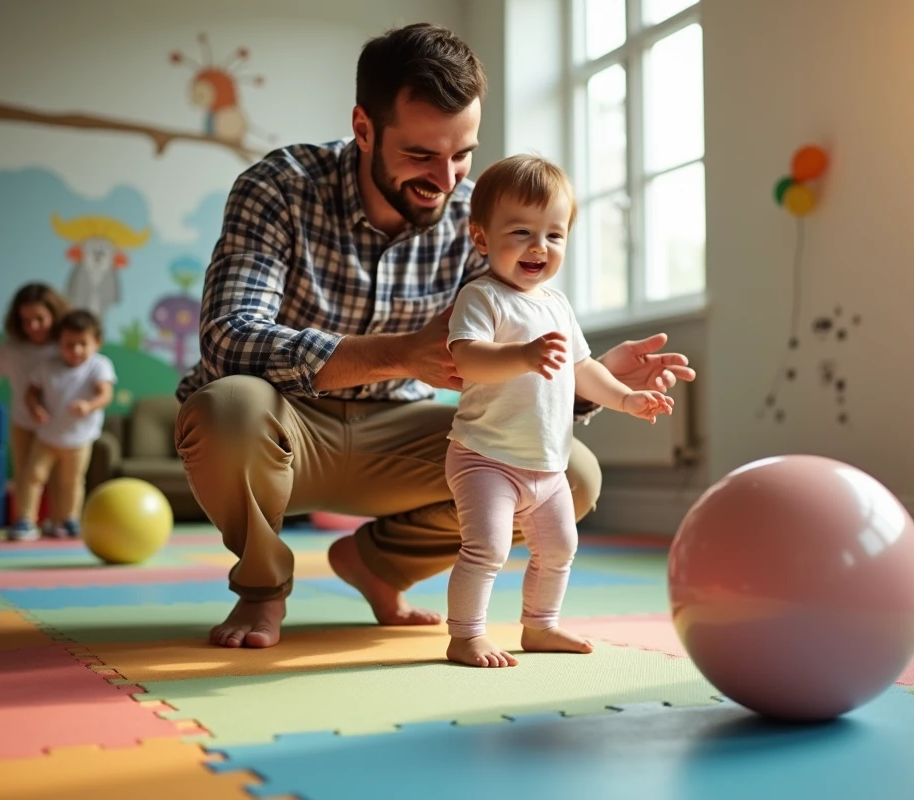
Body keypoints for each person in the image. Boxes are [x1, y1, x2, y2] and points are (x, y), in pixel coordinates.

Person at [174, 22, 696, 649]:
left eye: (462, 153)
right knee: (225, 407)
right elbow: (230, 338)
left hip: (402, 437)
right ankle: (261, 592)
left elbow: (517, 347)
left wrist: (591, 380)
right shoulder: (280, 187)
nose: (445, 179)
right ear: (364, 128)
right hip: (287, 426)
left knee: (572, 476)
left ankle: (378, 564)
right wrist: (397, 353)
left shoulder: (479, 218)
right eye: (421, 155)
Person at [444, 155, 675, 668]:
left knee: (560, 549)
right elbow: (467, 358)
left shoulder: (557, 306)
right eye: (521, 232)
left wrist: (625, 398)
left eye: (554, 235)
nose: (538, 247)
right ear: (481, 238)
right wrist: (522, 356)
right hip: (485, 457)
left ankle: (540, 626)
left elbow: (583, 367)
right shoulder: (482, 297)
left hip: (547, 464)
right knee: (487, 548)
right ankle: (465, 635)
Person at [0, 283, 71, 541]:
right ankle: (25, 520)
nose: (33, 326)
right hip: (24, 421)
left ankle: (58, 520)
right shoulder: (12, 349)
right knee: (26, 473)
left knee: (60, 476)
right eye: (26, 321)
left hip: (59, 424)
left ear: (54, 316)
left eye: (40, 319)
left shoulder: (64, 345)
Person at [12, 309, 117, 540]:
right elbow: (30, 392)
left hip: (79, 439)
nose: (76, 351)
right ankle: (26, 520)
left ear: (96, 343)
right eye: (69, 344)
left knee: (72, 481)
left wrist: (89, 406)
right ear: (59, 342)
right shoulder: (48, 366)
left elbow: (105, 394)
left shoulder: (99, 365)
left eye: (82, 344)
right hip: (47, 436)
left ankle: (69, 519)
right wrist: (35, 409)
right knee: (33, 477)